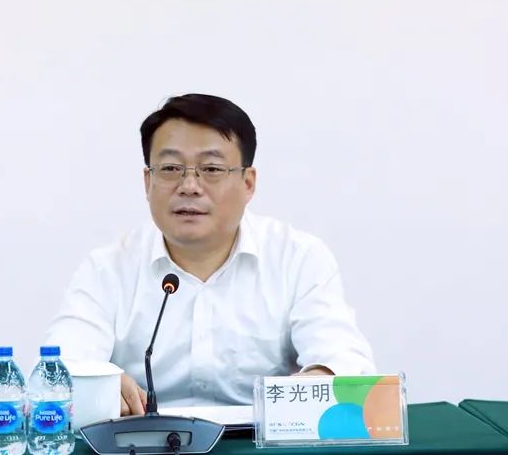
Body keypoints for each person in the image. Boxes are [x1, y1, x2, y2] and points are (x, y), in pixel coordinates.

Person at [45, 93, 375, 416]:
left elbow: (345, 361)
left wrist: (320, 380)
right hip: (144, 441)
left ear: (248, 182)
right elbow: (57, 371)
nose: (189, 186)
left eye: (212, 169)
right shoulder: (107, 269)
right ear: (148, 181)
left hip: (260, 442)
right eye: (170, 168)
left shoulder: (297, 259)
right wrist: (95, 385)